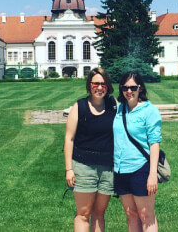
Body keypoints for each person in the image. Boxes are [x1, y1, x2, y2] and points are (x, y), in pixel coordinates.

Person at [64, 67, 116, 232]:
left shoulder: (114, 105)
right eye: (96, 84)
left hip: (108, 168)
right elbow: (69, 139)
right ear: (89, 85)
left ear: (107, 86)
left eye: (103, 84)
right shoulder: (80, 106)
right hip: (83, 167)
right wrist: (69, 169)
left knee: (99, 213)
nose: (99, 87)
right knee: (83, 213)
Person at [113, 71, 162, 232]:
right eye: (125, 87)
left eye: (133, 87)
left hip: (141, 168)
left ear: (140, 88)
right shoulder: (120, 109)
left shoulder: (149, 110)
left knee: (146, 215)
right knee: (131, 214)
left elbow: (154, 143)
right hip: (120, 169)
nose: (129, 91)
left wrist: (152, 174)